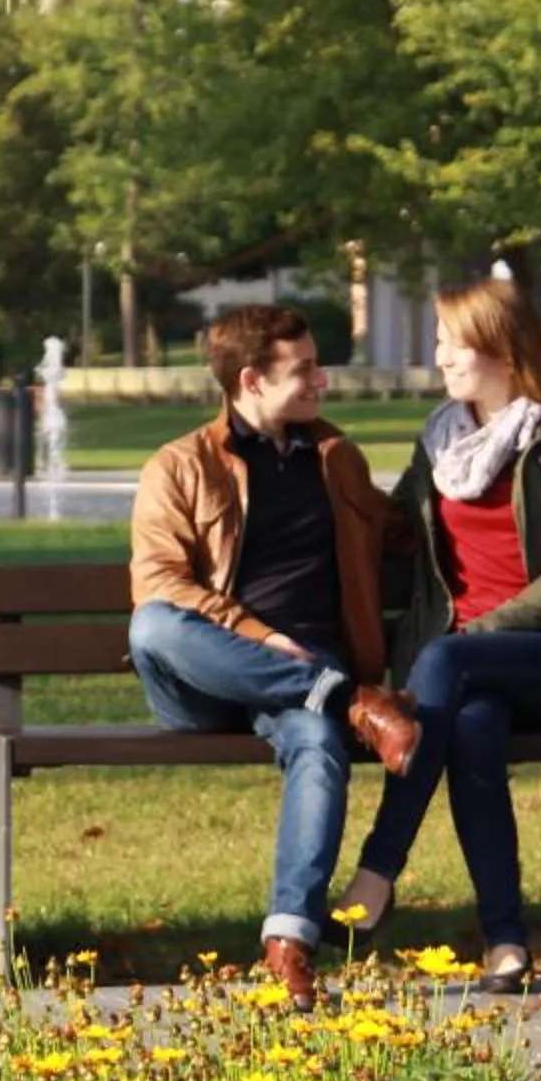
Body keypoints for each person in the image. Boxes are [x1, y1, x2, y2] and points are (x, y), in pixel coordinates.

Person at [127, 303, 422, 1013]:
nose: (323, 380)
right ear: (252, 380)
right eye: (305, 369)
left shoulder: (335, 458)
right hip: (209, 676)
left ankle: (289, 944)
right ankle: (347, 698)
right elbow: (160, 582)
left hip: (304, 678)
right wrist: (255, 634)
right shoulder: (180, 465)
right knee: (151, 626)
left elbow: (400, 531)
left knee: (319, 742)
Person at [336, 278, 541, 995]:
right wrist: (326, 473)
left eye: (452, 343)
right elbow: (395, 526)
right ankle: (507, 941)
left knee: (450, 661)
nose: (439, 357)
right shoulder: (441, 441)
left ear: (503, 348)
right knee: (474, 731)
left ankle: (378, 870)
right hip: (459, 675)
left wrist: (481, 634)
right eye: (439, 342)